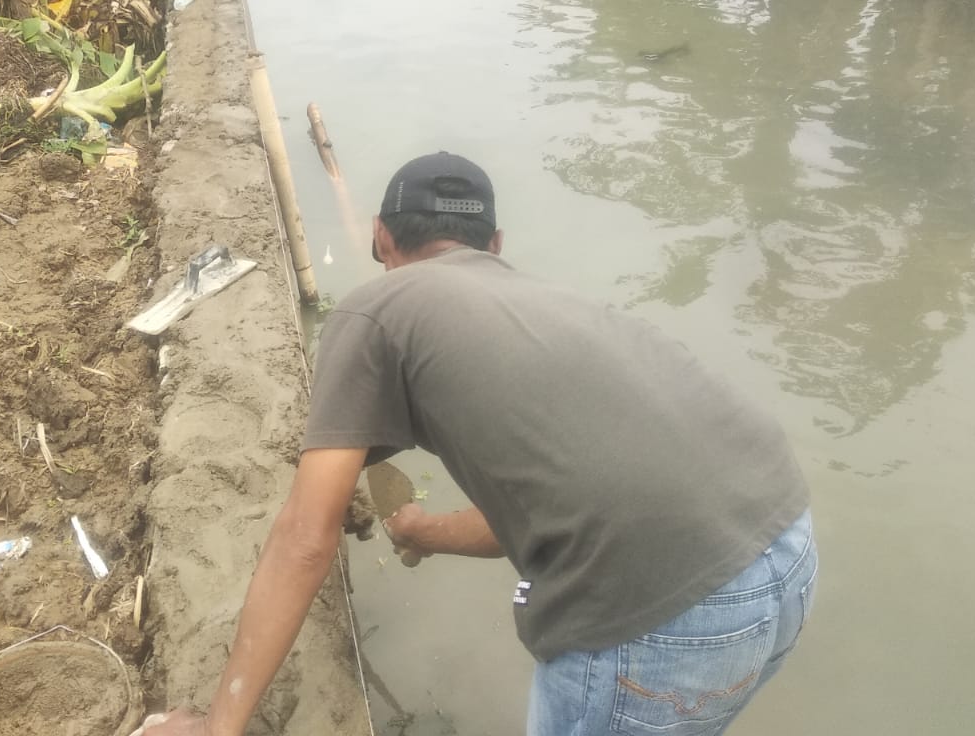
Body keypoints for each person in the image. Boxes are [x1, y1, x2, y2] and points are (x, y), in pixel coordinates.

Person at [143, 152, 817, 736]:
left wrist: (217, 723)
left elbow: (304, 537)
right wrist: (423, 532)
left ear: (381, 237)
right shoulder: (543, 304)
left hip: (660, 613)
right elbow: (562, 501)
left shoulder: (373, 312)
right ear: (494, 244)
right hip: (785, 545)